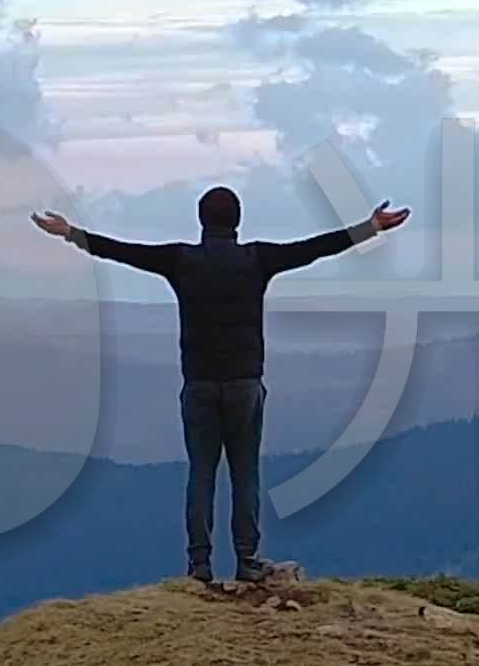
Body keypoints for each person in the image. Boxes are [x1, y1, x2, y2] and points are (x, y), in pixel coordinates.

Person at [34, 186, 410, 584]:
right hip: (245, 382)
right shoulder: (258, 258)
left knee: (202, 473)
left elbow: (122, 250)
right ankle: (248, 560)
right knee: (245, 473)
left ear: (201, 220)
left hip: (198, 382)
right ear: (238, 220)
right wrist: (369, 228)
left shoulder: (180, 260)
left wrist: (71, 233)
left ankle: (199, 564)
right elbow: (313, 248)